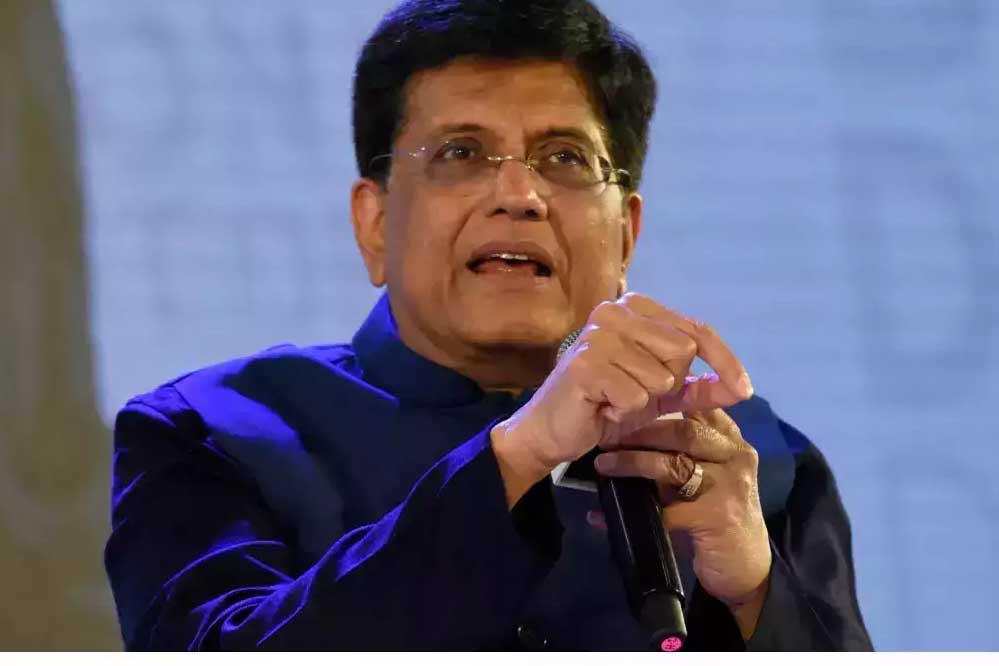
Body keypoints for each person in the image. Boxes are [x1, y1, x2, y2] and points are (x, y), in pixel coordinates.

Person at [105, 0, 872, 650]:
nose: (519, 196)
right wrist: (520, 455)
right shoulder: (212, 431)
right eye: (460, 153)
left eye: (564, 158)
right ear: (373, 224)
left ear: (625, 236)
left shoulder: (758, 464)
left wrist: (752, 595)